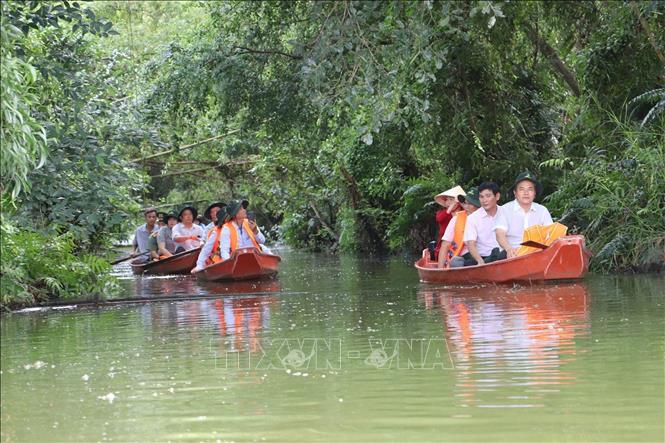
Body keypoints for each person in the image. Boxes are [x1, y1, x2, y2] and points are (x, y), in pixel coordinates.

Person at [192, 199, 266, 273]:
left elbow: (262, 241)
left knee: (263, 248)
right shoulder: (222, 229)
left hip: (253, 257)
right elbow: (209, 250)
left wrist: (255, 230)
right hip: (236, 261)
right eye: (241, 209)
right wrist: (199, 265)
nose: (245, 210)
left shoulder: (250, 223)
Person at [494, 171, 554, 258]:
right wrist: (508, 249)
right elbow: (499, 233)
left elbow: (551, 234)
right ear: (515, 192)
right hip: (512, 254)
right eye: (521, 189)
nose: (526, 193)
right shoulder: (504, 210)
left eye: (530, 189)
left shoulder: (542, 211)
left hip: (537, 254)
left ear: (534, 193)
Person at [462, 182, 506, 266]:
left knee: (502, 254)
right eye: (481, 197)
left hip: (503, 255)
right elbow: (471, 244)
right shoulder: (472, 218)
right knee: (468, 263)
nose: (484, 200)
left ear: (497, 196)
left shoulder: (506, 213)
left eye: (488, 196)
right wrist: (480, 261)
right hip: (482, 257)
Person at [437, 188, 480, 268]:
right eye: (465, 203)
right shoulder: (456, 219)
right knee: (457, 262)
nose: (466, 206)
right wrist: (440, 269)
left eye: (470, 203)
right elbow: (445, 245)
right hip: (463, 256)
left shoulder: (487, 216)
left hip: (484, 253)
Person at [432, 185, 465, 260]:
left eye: (451, 199)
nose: (448, 202)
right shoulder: (442, 213)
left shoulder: (465, 214)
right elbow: (439, 219)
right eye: (447, 200)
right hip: (444, 249)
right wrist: (451, 206)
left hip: (463, 248)